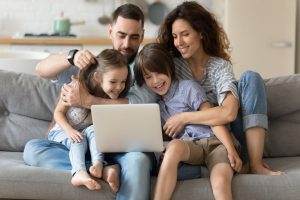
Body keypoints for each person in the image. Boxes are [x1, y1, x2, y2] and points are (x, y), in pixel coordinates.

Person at [23, 3, 201, 200]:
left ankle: (104, 167)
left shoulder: (145, 71)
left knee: (138, 161)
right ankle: (103, 169)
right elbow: (41, 70)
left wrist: (88, 100)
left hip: (126, 150)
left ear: (142, 36)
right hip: (86, 147)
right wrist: (71, 56)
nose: (126, 44)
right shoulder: (93, 66)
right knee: (33, 149)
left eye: (134, 37)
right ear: (110, 32)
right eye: (121, 35)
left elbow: (136, 105)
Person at [157, 1, 283, 175]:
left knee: (251, 78)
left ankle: (255, 164)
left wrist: (183, 117)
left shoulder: (219, 66)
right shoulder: (172, 67)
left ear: (201, 33)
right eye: (175, 36)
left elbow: (229, 113)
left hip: (229, 139)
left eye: (185, 34)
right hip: (193, 143)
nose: (179, 42)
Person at [134, 43, 242, 200]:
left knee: (220, 182)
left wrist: (231, 150)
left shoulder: (188, 88)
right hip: (191, 147)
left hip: (215, 144)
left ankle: (218, 168)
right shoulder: (157, 107)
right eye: (148, 77)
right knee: (174, 146)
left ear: (169, 68)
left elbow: (213, 119)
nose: (156, 80)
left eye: (159, 73)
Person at [48, 49, 130, 191]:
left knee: (93, 130)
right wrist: (70, 131)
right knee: (35, 148)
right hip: (63, 133)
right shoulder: (76, 87)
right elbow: (58, 113)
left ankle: (98, 164)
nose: (119, 87)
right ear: (98, 77)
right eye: (113, 81)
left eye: (123, 81)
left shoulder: (110, 100)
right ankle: (80, 172)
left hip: (88, 142)